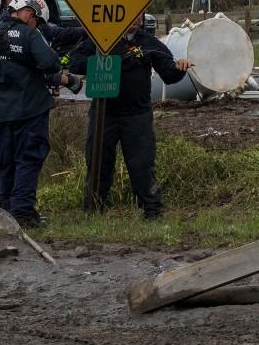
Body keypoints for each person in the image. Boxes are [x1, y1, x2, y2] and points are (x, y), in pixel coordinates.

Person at [0, 0, 80, 227]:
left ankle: (2, 210)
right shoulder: (28, 35)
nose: (37, 26)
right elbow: (51, 62)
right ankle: (22, 213)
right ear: (29, 13)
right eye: (37, 21)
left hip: (1, 114)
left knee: (3, 161)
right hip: (31, 111)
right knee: (28, 159)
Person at [68, 13, 191, 217]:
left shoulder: (149, 42)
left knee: (142, 164)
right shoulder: (102, 39)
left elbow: (169, 73)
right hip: (103, 113)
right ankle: (93, 211)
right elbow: (75, 63)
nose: (135, 20)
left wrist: (180, 68)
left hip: (137, 114)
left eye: (139, 16)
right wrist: (110, 60)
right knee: (98, 162)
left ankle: (152, 211)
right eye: (130, 15)